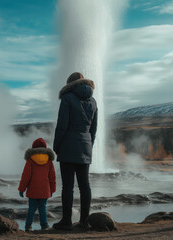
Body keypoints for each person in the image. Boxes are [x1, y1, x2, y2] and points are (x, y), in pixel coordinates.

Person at [52, 72, 98, 230]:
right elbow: (93, 130)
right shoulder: (93, 101)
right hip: (85, 146)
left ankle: (66, 221)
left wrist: (56, 146)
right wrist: (89, 145)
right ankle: (84, 221)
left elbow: (62, 125)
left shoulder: (67, 98)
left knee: (68, 186)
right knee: (85, 185)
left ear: (70, 84)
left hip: (67, 146)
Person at [18, 138, 56, 231]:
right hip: (45, 190)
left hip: (33, 190)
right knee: (42, 208)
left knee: (31, 209)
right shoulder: (49, 161)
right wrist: (52, 189)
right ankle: (44, 226)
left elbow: (25, 176)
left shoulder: (30, 161)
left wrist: (21, 189)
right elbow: (52, 177)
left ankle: (28, 226)